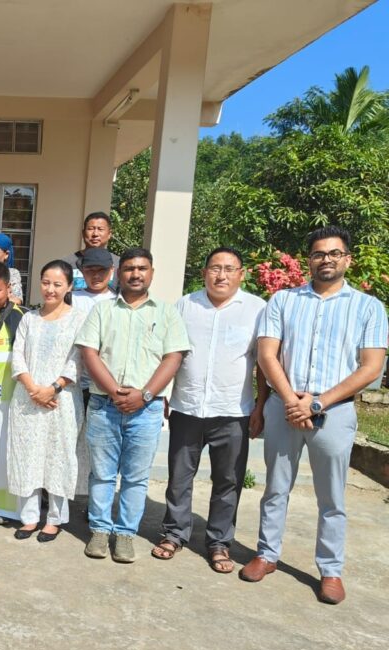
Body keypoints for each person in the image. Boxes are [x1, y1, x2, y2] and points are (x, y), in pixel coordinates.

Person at [241, 226, 388, 604]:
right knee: (275, 487)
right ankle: (266, 554)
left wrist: (317, 403)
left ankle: (330, 569)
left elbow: (370, 368)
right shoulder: (284, 301)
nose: (327, 259)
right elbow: (267, 354)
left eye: (334, 253)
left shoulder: (369, 307)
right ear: (309, 259)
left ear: (347, 259)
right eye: (319, 253)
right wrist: (292, 401)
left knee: (332, 496)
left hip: (334, 412)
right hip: (284, 408)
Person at [152, 247, 268, 573]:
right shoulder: (185, 305)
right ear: (204, 273)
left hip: (233, 410)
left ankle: (219, 542)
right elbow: (168, 352)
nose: (221, 275)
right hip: (187, 407)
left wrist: (260, 406)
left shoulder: (257, 310)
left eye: (229, 269)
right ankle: (174, 533)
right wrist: (163, 392)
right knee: (179, 477)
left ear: (241, 274)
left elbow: (264, 362)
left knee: (228, 480)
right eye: (215, 268)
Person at [75, 247, 190, 563]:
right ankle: (100, 530)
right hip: (103, 405)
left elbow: (174, 357)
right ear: (118, 273)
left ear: (151, 272)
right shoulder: (102, 311)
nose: (135, 274)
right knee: (102, 474)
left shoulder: (167, 313)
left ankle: (125, 535)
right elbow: (89, 353)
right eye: (128, 268)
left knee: (136, 477)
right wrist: (114, 391)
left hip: (147, 409)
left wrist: (146, 395)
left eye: (142, 268)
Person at [7, 261, 86, 542]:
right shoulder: (29, 318)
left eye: (57, 284)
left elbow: (78, 359)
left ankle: (54, 519)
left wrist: (54, 388)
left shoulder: (79, 319)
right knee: (27, 456)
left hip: (61, 401)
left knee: (58, 458)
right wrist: (33, 388)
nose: (50, 289)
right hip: (28, 399)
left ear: (68, 287)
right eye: (45, 282)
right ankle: (28, 517)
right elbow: (17, 355)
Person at [70, 248, 118, 410]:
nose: (96, 276)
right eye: (90, 270)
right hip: (75, 383)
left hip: (109, 386)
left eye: (101, 270)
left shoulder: (120, 300)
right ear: (82, 271)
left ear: (112, 271)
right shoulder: (71, 299)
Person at [67, 212, 120, 291]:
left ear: (109, 234)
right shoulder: (66, 264)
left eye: (100, 229)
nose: (95, 234)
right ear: (83, 233)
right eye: (91, 229)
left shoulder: (119, 263)